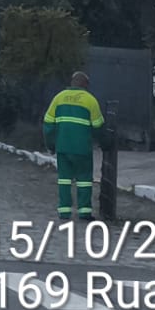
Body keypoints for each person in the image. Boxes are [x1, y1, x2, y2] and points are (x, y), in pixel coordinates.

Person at [42, 71, 104, 221]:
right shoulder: (90, 100)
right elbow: (98, 126)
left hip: (63, 148)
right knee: (84, 180)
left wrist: (51, 144)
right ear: (86, 84)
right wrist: (104, 142)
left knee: (64, 179)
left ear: (72, 82)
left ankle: (64, 212)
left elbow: (48, 124)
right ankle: (84, 212)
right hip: (82, 149)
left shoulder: (58, 98)